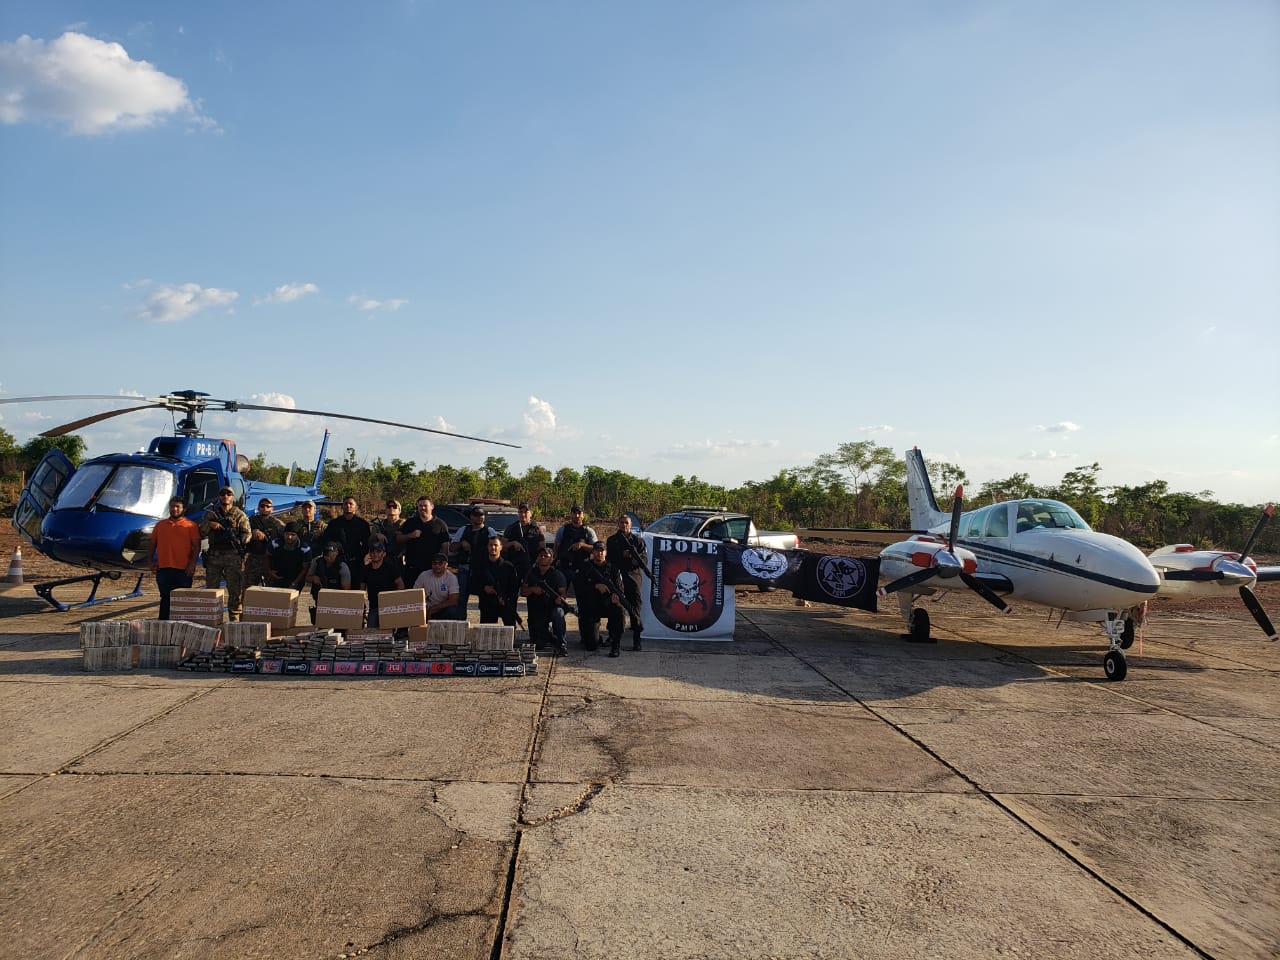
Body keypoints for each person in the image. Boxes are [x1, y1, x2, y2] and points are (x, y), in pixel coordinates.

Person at [199, 486, 251, 620]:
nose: (225, 496)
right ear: (219, 496)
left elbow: (247, 533)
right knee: (212, 590)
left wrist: (239, 541)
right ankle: (212, 618)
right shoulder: (211, 514)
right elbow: (201, 532)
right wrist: (210, 525)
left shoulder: (239, 514)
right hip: (214, 556)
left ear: (233, 497)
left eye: (229, 494)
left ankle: (234, 619)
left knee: (235, 590)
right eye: (222, 494)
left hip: (232, 556)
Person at [573, 541, 627, 656]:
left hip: (608, 604)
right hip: (591, 606)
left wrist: (616, 596)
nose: (599, 553)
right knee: (591, 646)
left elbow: (620, 589)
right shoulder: (585, 567)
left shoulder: (613, 570)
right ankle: (595, 637)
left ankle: (615, 644)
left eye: (602, 551)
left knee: (620, 610)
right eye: (597, 550)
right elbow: (579, 588)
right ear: (593, 552)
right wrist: (595, 586)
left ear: (606, 553)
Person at [150, 496, 200, 620]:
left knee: (182, 600)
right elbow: (152, 544)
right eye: (172, 506)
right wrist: (150, 561)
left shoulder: (191, 526)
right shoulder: (160, 525)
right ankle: (163, 626)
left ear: (184, 509)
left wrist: (192, 564)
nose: (174, 509)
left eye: (178, 506)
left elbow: (196, 546)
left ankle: (182, 627)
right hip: (164, 568)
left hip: (183, 569)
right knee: (165, 598)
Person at [606, 513, 649, 651]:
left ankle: (637, 639)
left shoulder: (638, 541)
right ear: (618, 524)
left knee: (635, 608)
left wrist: (632, 557)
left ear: (631, 525)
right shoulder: (612, 540)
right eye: (622, 522)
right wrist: (622, 555)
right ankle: (613, 637)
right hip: (617, 578)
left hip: (633, 578)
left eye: (627, 523)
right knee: (616, 608)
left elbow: (643, 560)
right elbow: (610, 560)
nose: (624, 525)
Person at [521, 546, 570, 656]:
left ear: (552, 559)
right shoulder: (531, 573)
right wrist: (533, 589)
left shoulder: (557, 575)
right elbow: (523, 592)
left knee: (558, 613)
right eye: (540, 556)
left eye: (546, 556)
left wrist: (560, 599)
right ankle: (549, 636)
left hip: (552, 608)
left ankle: (562, 643)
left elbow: (563, 594)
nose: (542, 558)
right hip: (536, 611)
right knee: (539, 644)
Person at [451, 506, 498, 618]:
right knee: (461, 598)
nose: (479, 518)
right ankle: (461, 624)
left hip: (483, 569)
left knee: (486, 598)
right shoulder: (463, 530)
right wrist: (462, 543)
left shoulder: (489, 531)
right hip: (465, 568)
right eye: (476, 515)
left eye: (481, 515)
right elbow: (452, 547)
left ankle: (486, 624)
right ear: (471, 517)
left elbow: (497, 547)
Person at [399, 497, 451, 587]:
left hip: (432, 568)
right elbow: (399, 539)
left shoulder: (440, 524)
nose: (422, 508)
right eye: (420, 506)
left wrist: (443, 565)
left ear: (432, 506)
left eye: (425, 505)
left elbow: (445, 547)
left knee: (431, 597)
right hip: (412, 568)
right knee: (412, 597)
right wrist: (410, 535)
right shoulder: (410, 522)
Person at [473, 536, 520, 626]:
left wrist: (506, 598)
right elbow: (473, 584)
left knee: (510, 631)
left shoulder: (508, 567)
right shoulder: (480, 566)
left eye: (496, 545)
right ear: (487, 547)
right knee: (487, 634)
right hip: (487, 604)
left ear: (501, 547)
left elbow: (514, 588)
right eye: (490, 545)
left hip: (505, 604)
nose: (493, 547)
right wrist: (484, 588)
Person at [323, 496, 371, 582]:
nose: (348, 506)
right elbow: (326, 540)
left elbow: (367, 544)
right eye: (345, 504)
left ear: (356, 507)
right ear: (342, 506)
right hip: (337, 561)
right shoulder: (334, 523)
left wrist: (362, 558)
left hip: (357, 562)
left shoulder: (363, 524)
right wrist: (334, 546)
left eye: (351, 504)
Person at [362, 538, 405, 628]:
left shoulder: (390, 568)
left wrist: (393, 600)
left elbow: (400, 585)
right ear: (369, 553)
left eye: (378, 551)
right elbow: (361, 590)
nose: (375, 554)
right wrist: (362, 607)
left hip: (388, 608)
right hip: (373, 607)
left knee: (388, 636)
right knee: (371, 634)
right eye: (373, 552)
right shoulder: (365, 570)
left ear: (384, 554)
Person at [306, 541, 352, 622]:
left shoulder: (342, 566)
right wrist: (313, 578)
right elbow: (307, 577)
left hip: (337, 599)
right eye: (326, 555)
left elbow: (346, 588)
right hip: (320, 598)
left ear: (336, 553)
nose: (329, 558)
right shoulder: (316, 562)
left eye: (332, 555)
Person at [244, 497, 284, 588]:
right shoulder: (251, 521)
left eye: (268, 506)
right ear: (258, 508)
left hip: (270, 559)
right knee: (248, 587)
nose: (265, 508)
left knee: (271, 588)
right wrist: (253, 532)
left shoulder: (277, 523)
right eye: (262, 506)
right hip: (254, 558)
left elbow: (286, 537)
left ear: (272, 509)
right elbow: (242, 533)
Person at [555, 503, 598, 585]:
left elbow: (596, 549)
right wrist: (556, 560)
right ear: (571, 514)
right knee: (559, 594)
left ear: (583, 515)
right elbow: (556, 546)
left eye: (579, 513)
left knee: (582, 596)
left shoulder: (589, 531)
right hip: (564, 567)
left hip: (582, 568)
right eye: (574, 513)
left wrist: (582, 545)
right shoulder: (563, 529)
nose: (577, 515)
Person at [502, 501, 545, 582]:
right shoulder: (511, 528)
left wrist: (538, 561)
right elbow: (502, 545)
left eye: (525, 512)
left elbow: (542, 547)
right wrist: (513, 543)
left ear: (531, 513)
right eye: (520, 512)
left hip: (532, 565)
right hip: (515, 565)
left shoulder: (537, 529)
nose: (523, 514)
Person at [412, 553, 460, 621]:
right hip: (425, 609)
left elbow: (453, 600)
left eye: (440, 563)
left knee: (452, 611)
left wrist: (434, 609)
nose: (437, 566)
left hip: (441, 609)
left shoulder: (451, 578)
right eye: (434, 563)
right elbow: (414, 594)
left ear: (446, 565)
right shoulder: (424, 575)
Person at [270, 524, 308, 589]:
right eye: (287, 534)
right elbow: (267, 556)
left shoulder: (304, 548)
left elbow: (305, 568)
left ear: (297, 536)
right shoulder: (276, 543)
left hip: (295, 577)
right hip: (277, 576)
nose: (289, 537)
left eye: (293, 535)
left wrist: (295, 583)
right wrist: (269, 571)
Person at [371, 499, 405, 564]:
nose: (391, 508)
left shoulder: (405, 525)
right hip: (382, 560)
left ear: (399, 511)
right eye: (389, 507)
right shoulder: (379, 525)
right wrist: (376, 535)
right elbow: (370, 542)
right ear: (385, 510)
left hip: (399, 559)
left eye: (395, 507)